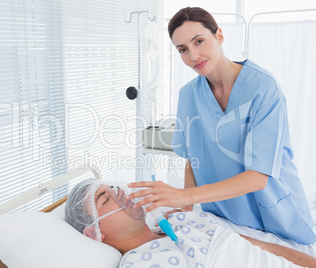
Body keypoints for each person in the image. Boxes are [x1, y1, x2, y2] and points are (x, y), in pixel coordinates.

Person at [126, 6, 316, 246]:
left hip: (276, 214)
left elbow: (258, 177)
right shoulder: (188, 96)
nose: (193, 56)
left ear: (219, 36)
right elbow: (192, 160)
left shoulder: (263, 88)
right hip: (224, 216)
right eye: (183, 49)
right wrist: (185, 208)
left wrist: (185, 195)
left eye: (199, 41)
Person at [64, 179, 316, 267]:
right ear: (95, 233)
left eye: (113, 187)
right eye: (105, 198)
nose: (119, 192)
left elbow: (259, 248)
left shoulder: (180, 218)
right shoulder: (138, 263)